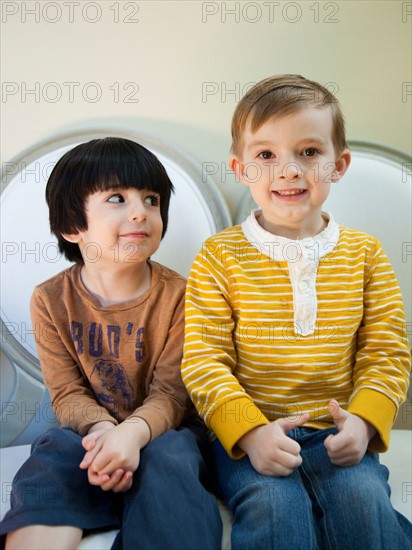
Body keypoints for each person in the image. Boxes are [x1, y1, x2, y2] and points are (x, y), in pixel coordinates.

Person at [182, 75, 412, 549]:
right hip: (254, 435)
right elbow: (204, 361)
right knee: (273, 511)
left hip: (338, 431)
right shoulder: (217, 256)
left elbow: (386, 352)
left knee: (365, 504)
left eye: (309, 152)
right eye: (265, 155)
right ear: (240, 168)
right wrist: (249, 434)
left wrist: (365, 423)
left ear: (338, 165)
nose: (287, 170)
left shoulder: (366, 254)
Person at [1, 137, 222, 550]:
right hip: (91, 435)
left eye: (152, 199)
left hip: (165, 431)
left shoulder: (183, 296)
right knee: (52, 450)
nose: (141, 210)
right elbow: (67, 393)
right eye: (118, 198)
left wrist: (132, 435)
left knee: (169, 455)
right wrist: (105, 433)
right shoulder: (49, 300)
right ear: (72, 226)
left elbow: (173, 394)